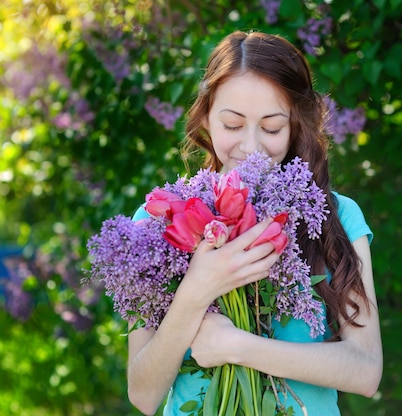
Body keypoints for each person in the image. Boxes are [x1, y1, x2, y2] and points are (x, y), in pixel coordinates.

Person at [127, 30, 382, 416]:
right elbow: (143, 395)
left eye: (272, 128)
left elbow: (365, 371)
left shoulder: (337, 217)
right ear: (206, 119)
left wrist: (238, 347)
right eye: (232, 125)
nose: (250, 148)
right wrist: (198, 288)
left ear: (297, 126)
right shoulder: (156, 219)